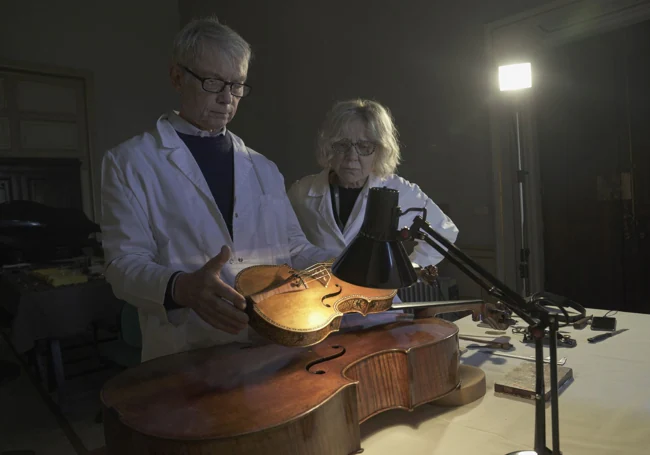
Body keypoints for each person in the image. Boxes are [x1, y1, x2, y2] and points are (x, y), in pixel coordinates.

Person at [100, 16, 336, 362]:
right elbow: (123, 265)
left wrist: (344, 264)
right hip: (187, 350)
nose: (228, 98)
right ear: (177, 77)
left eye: (237, 85)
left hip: (273, 341)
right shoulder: (130, 162)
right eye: (213, 83)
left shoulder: (264, 168)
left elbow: (294, 247)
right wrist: (181, 288)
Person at [288, 99, 459, 271]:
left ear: (380, 150)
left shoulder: (398, 190)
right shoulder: (301, 192)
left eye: (364, 146)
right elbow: (285, 242)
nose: (352, 156)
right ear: (330, 148)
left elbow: (445, 232)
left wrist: (407, 269)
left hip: (378, 295)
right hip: (318, 293)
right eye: (342, 145)